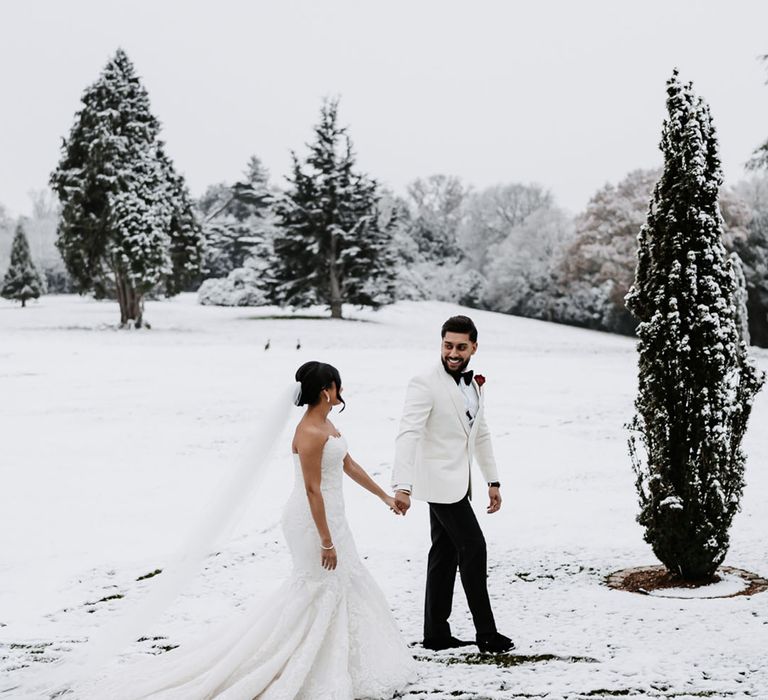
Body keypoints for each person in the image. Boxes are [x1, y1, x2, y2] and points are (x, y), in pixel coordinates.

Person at [75, 361, 416, 699]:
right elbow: (313, 491)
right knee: (316, 590)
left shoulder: (327, 426)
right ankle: (285, 662)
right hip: (312, 522)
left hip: (333, 518)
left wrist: (384, 496)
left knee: (342, 584)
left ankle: (344, 662)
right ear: (327, 390)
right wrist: (326, 540)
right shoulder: (310, 433)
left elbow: (348, 464)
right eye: (338, 386)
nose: (341, 392)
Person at [391, 315, 513, 653]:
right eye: (448, 346)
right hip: (437, 483)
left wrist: (493, 479)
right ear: (441, 344)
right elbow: (408, 434)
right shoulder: (424, 382)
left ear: (474, 346)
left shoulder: (474, 384)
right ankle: (486, 633)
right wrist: (402, 485)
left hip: (461, 482)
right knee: (474, 548)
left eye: (461, 347)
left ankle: (436, 635)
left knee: (443, 554)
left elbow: (480, 433)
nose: (453, 353)